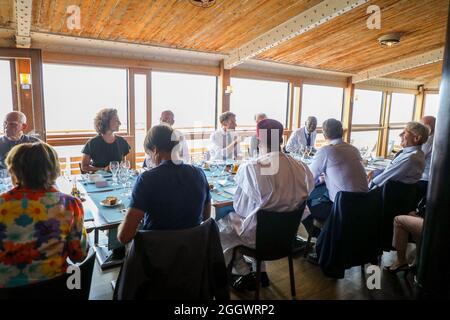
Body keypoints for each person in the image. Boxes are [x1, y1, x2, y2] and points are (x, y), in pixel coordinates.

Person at [218, 119, 314, 292]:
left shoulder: (252, 168)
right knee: (258, 219)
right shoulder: (301, 166)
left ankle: (242, 271)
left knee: (221, 225)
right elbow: (307, 193)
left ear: (259, 140)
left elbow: (240, 207)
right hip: (287, 236)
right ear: (282, 140)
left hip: (260, 238)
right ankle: (260, 271)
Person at [0, 142, 87, 288]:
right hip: (56, 288)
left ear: (14, 170)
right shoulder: (69, 204)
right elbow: (79, 255)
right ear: (54, 169)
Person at [117, 124, 211, 244]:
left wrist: (125, 221)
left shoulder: (146, 179)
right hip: (192, 253)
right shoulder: (199, 174)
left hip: (155, 254)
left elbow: (124, 237)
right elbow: (206, 218)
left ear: (155, 149)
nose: (150, 159)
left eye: (149, 154)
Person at [305, 118, 368, 237]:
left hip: (342, 207)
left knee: (303, 205)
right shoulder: (353, 149)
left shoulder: (326, 151)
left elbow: (309, 178)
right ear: (342, 132)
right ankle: (328, 239)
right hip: (363, 204)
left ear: (324, 134)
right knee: (322, 195)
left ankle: (322, 241)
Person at [369, 122, 429, 189]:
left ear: (416, 138)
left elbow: (384, 178)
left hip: (382, 195)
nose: (400, 135)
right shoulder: (415, 154)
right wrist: (375, 172)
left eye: (405, 133)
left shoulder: (411, 158)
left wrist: (369, 185)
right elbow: (391, 170)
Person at [81, 108, 131, 173]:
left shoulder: (122, 141)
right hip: (98, 180)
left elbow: (123, 164)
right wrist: (103, 169)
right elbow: (84, 167)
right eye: (116, 120)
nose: (120, 123)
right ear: (106, 122)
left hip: (117, 180)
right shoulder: (92, 143)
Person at [384, 199, 426, 273]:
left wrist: (420, 213)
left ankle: (401, 261)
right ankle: (420, 259)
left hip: (435, 224)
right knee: (410, 216)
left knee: (398, 220)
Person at [417, 116, 436, 196]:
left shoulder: (428, 141)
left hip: (425, 180)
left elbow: (415, 159)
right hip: (433, 180)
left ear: (428, 129)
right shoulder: (436, 138)